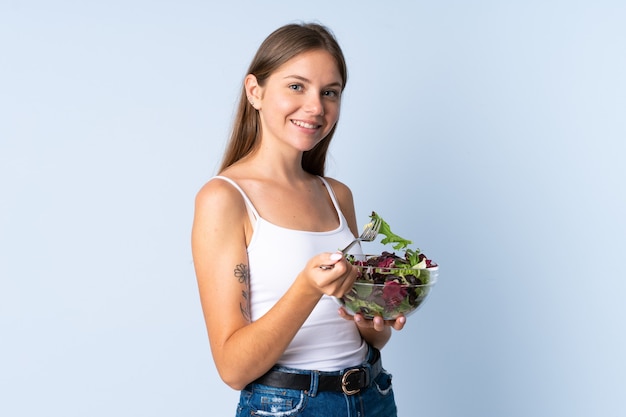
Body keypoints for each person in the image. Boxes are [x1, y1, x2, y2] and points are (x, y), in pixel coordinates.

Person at [191, 22, 406, 416]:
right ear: (255, 91)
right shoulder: (224, 198)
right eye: (296, 86)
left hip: (372, 395)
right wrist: (307, 287)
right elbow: (233, 368)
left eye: (330, 93)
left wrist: (377, 317)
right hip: (289, 406)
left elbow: (365, 335)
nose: (316, 107)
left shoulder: (337, 195)